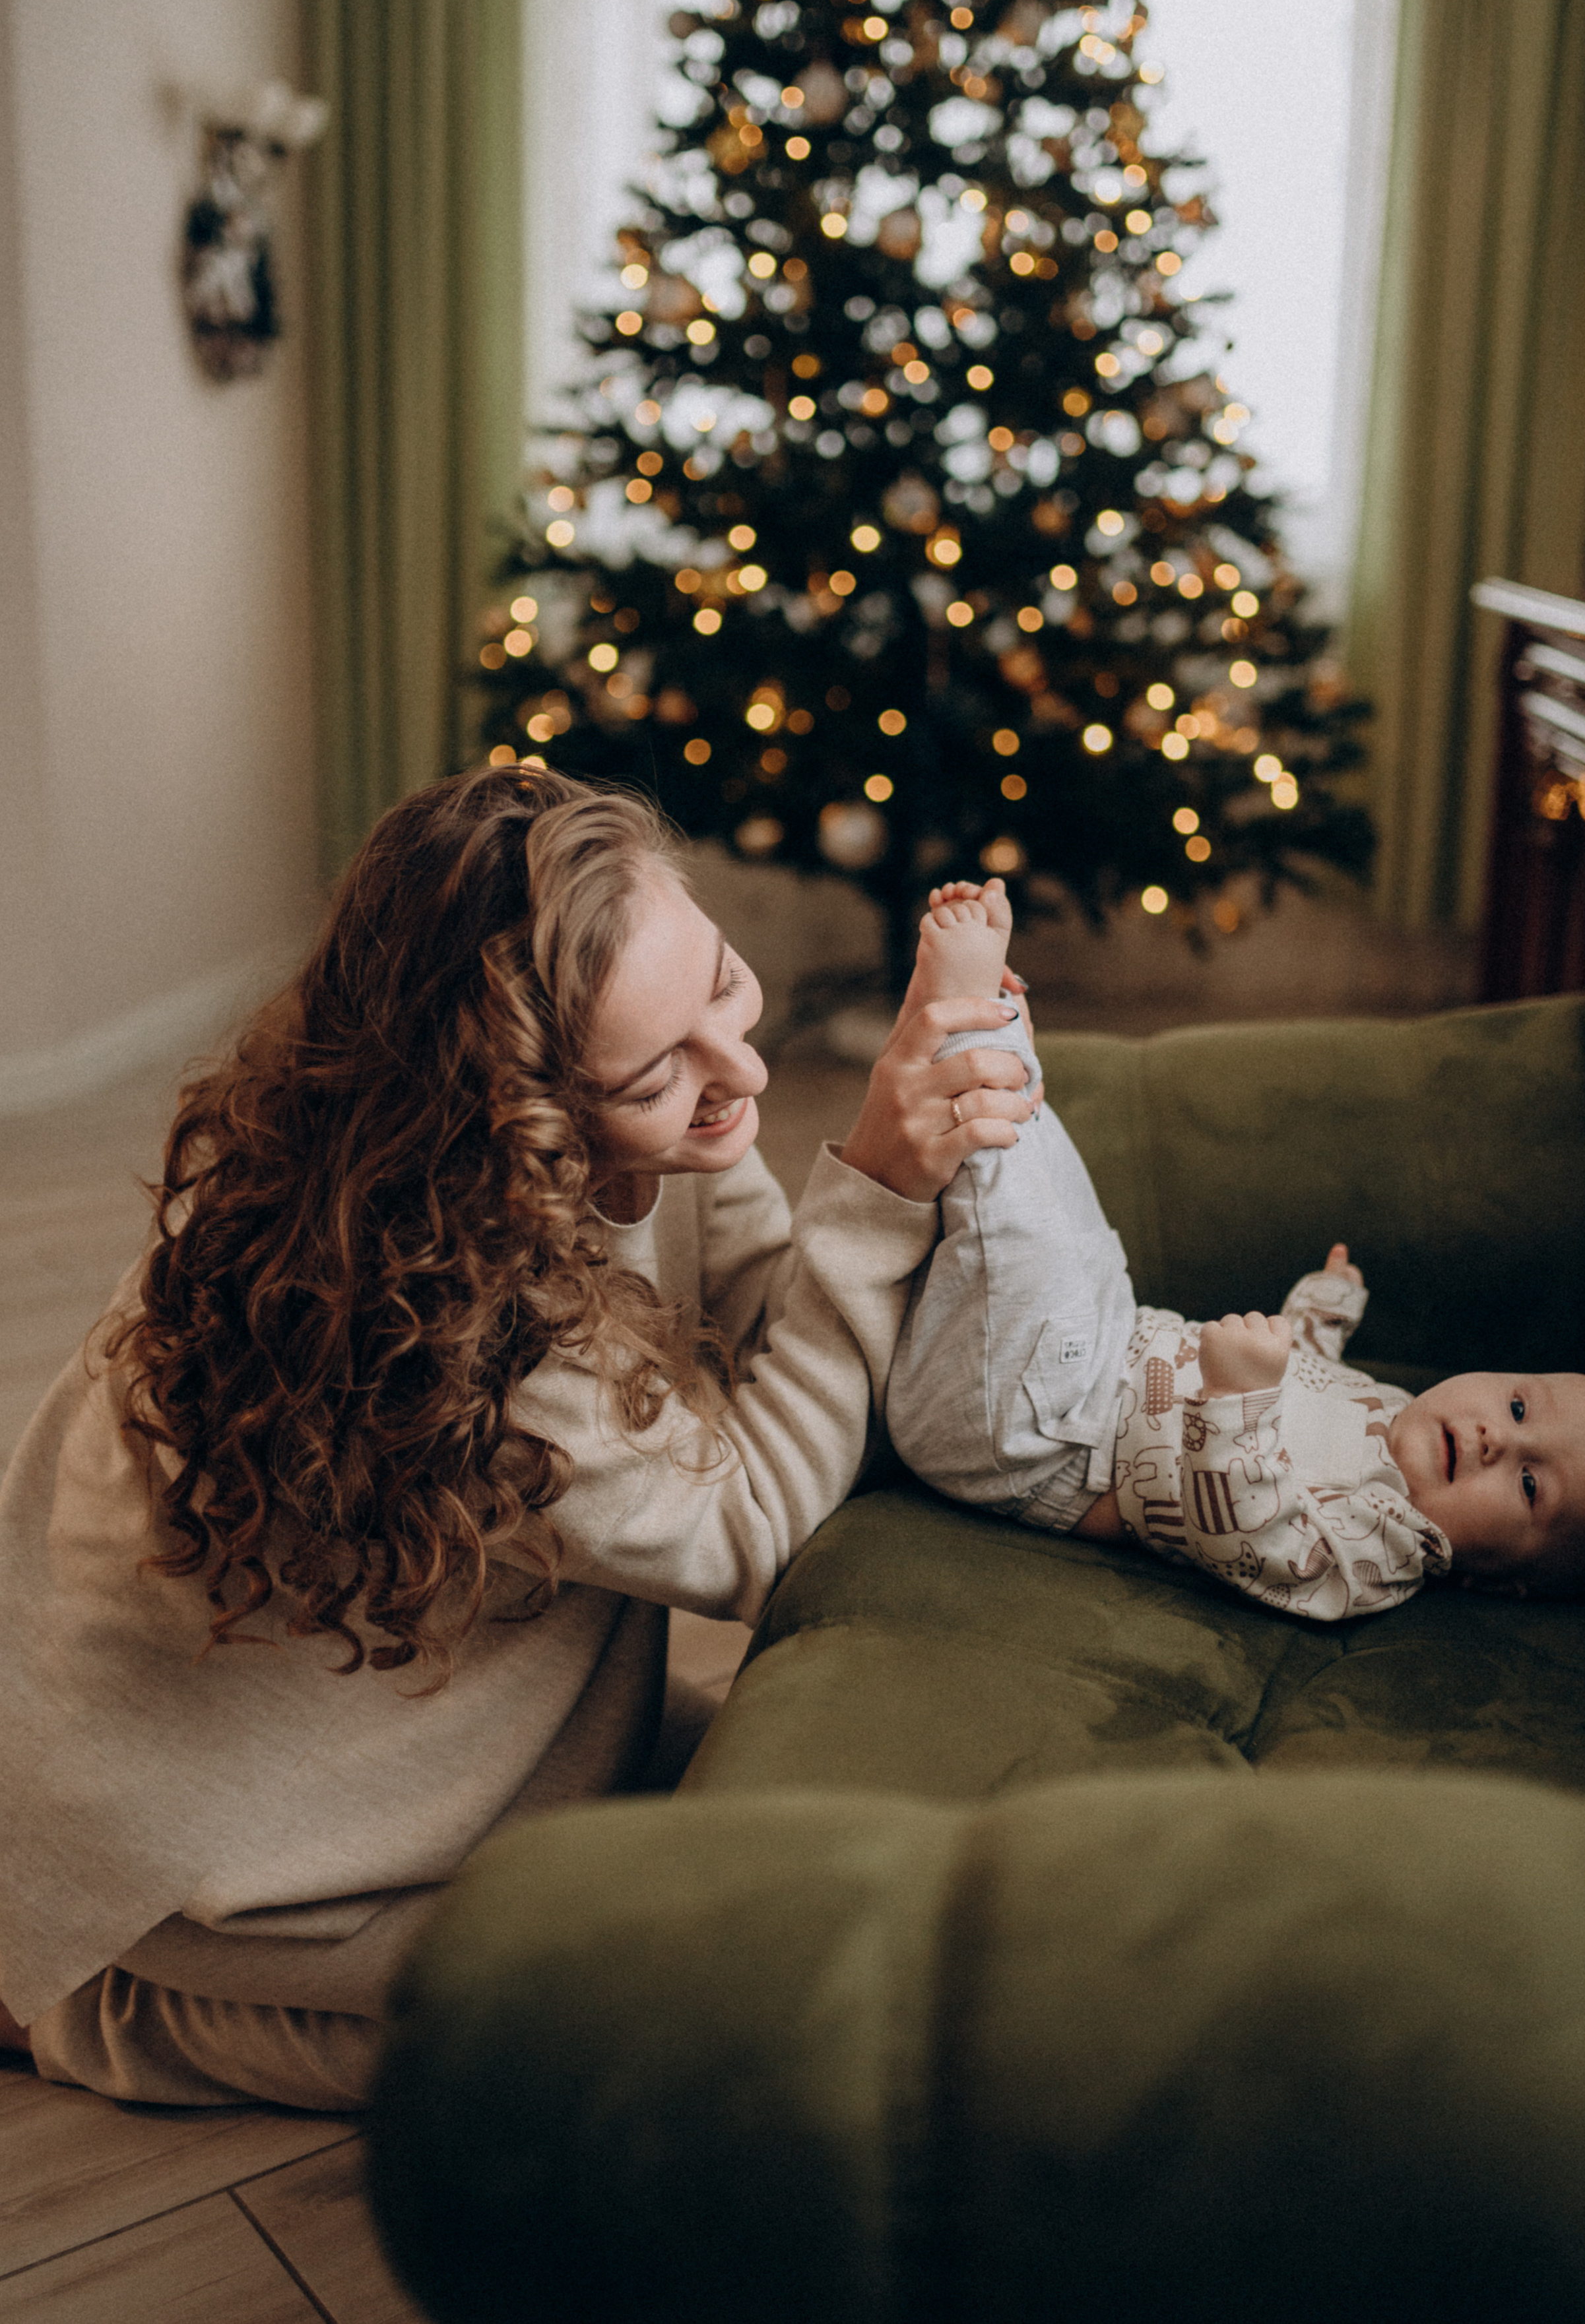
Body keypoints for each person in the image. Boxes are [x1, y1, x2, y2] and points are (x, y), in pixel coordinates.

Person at [0, 769, 1039, 2112]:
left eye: (725, 984)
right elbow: (753, 1531)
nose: (745, 1073)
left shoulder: (631, 1115)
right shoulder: (463, 1326)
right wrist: (879, 1185)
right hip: (238, 1850)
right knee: (576, 2036)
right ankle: (85, 2012)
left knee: (781, 1826)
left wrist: (858, 1151)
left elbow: (752, 1302)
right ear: (505, 1112)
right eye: (661, 1070)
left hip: (410, 1733)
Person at [886, 881, 1585, 1619]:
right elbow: (1305, 1386)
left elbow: (1253, 1539)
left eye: (1529, 1485)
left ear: (1501, 1583)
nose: (1499, 1438)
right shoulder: (1395, 1415)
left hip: (1032, 1433)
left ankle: (970, 1030)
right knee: (1074, 1213)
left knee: (1033, 1238)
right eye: (1520, 1405)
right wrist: (1315, 1321)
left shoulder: (1382, 1548)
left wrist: (1236, 1400)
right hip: (1097, 1342)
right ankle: (994, 1061)